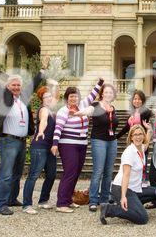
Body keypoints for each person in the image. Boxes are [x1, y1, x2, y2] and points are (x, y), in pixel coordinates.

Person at [0, 53, 48, 215]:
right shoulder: (4, 97)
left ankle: (12, 199)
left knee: (16, 173)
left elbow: (34, 83)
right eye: (13, 85)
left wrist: (43, 69)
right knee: (6, 174)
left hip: (21, 141)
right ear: (8, 87)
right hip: (8, 141)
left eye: (18, 85)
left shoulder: (23, 98)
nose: (16, 87)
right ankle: (1, 204)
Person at [52, 78, 104, 213]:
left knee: (76, 172)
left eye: (75, 96)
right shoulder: (63, 111)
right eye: (71, 96)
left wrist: (99, 84)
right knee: (69, 172)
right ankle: (61, 203)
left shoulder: (82, 106)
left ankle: (69, 199)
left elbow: (92, 95)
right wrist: (55, 144)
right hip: (68, 145)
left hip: (82, 144)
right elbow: (58, 128)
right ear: (67, 98)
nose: (73, 98)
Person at [99, 124, 156, 225]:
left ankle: (133, 205)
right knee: (142, 218)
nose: (138, 137)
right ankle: (109, 209)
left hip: (135, 188)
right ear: (131, 137)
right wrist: (123, 196)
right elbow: (126, 175)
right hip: (122, 188)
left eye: (140, 134)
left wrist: (149, 130)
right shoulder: (129, 152)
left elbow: (147, 142)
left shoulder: (141, 148)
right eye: (135, 135)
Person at [79, 83, 119, 212]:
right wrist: (78, 114)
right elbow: (87, 111)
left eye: (110, 93)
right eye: (106, 92)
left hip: (112, 141)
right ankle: (93, 200)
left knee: (108, 172)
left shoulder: (113, 108)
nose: (108, 94)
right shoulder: (96, 106)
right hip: (99, 141)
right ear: (102, 94)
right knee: (98, 171)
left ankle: (104, 199)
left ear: (113, 95)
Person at [22, 86, 58, 214]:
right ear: (41, 99)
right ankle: (27, 205)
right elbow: (43, 122)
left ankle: (43, 201)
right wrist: (41, 131)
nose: (48, 98)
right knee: (33, 175)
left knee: (52, 174)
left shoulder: (51, 110)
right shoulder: (44, 110)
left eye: (50, 96)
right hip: (39, 145)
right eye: (45, 96)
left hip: (49, 147)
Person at [115, 90, 153, 184]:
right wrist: (116, 137)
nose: (137, 101)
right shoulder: (131, 112)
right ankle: (132, 184)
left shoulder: (146, 112)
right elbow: (127, 127)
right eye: (135, 99)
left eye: (139, 99)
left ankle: (143, 184)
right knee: (132, 165)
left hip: (142, 143)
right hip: (131, 143)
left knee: (142, 165)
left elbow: (148, 124)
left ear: (143, 100)